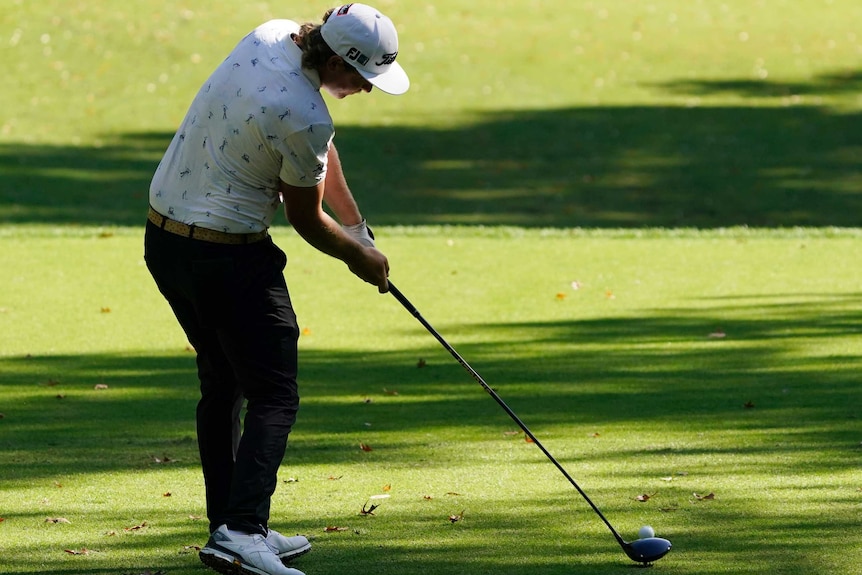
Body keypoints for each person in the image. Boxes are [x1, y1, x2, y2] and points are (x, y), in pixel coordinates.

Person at [143, 4, 409, 575]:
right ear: (337, 58)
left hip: (165, 243)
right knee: (273, 393)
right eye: (363, 77)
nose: (365, 89)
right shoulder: (304, 114)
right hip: (227, 256)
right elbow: (307, 219)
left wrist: (358, 227)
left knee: (223, 382)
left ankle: (231, 527)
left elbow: (315, 153)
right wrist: (359, 257)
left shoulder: (271, 35)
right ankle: (242, 530)